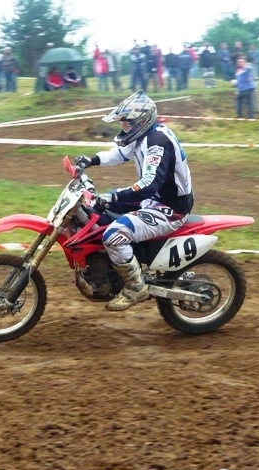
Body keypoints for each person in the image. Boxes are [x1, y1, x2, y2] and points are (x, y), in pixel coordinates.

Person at [74, 91, 193, 311]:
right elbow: (119, 153)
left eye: (127, 124)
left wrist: (116, 196)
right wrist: (91, 160)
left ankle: (136, 287)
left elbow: (149, 184)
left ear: (141, 121)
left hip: (169, 208)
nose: (123, 128)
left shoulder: (157, 142)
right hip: (152, 200)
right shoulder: (144, 135)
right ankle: (110, 267)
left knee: (113, 235)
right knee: (96, 207)